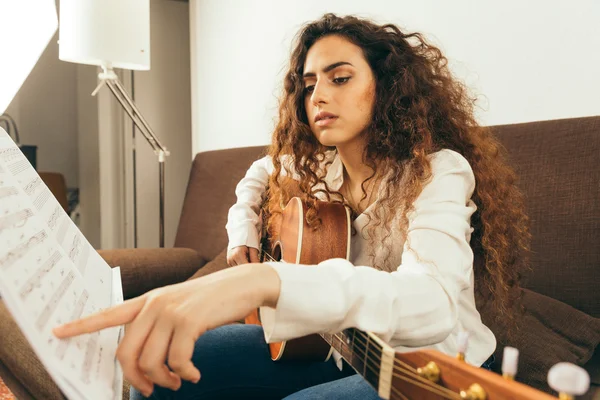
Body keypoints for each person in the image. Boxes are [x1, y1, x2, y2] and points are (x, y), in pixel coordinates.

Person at [53, 13, 530, 400]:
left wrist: (267, 280)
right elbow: (256, 176)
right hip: (338, 347)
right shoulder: (319, 167)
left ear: (385, 86)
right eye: (307, 85)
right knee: (164, 372)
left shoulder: (439, 171)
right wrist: (242, 231)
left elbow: (435, 301)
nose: (319, 95)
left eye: (340, 78)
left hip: (434, 363)